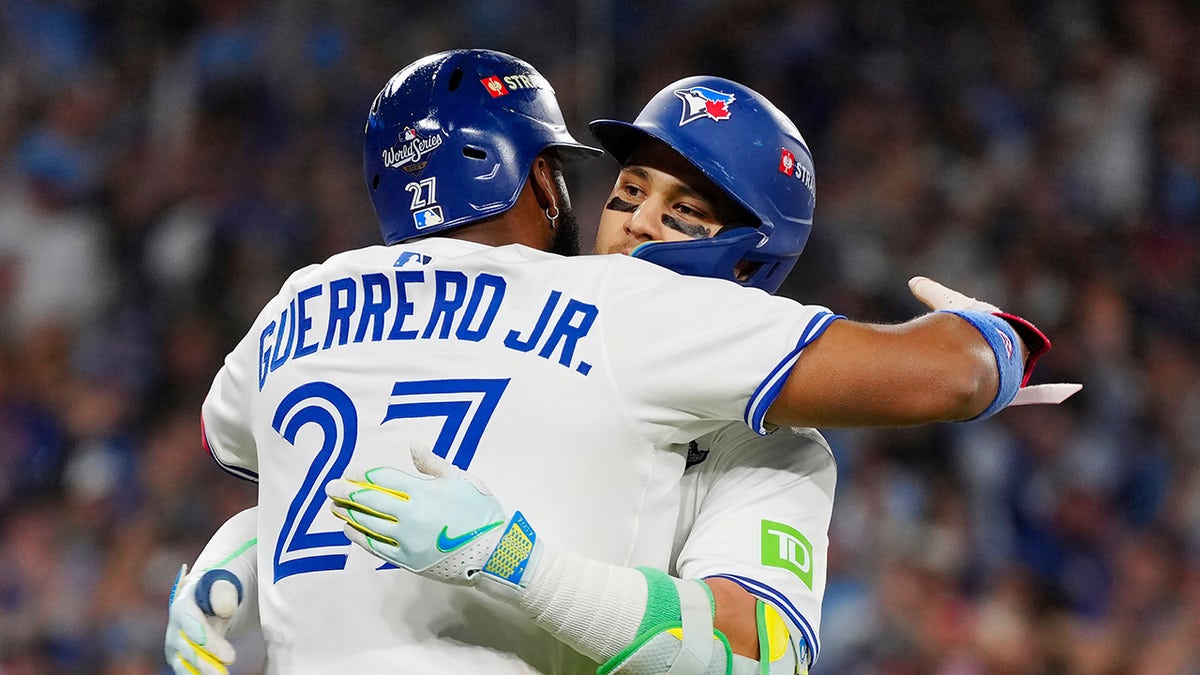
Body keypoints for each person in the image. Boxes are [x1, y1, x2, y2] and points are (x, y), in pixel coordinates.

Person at [168, 49, 1069, 674]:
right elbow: (384, 455)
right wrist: (253, 543)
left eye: (683, 212)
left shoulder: (773, 444)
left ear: (751, 264)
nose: (636, 222)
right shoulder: (576, 319)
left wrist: (524, 567)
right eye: (629, 191)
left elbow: (757, 657)